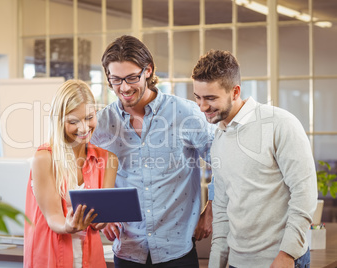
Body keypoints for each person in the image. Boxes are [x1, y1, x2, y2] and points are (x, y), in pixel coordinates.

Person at [90, 35, 216, 267]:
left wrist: (211, 209)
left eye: (131, 77)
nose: (124, 87)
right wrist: (101, 212)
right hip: (127, 249)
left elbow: (222, 161)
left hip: (177, 250)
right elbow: (83, 172)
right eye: (115, 80)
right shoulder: (101, 123)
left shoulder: (185, 114)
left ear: (148, 70)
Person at [191, 49, 318, 268]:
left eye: (210, 98)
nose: (202, 107)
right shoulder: (220, 136)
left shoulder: (280, 123)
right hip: (236, 262)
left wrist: (287, 254)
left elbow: (304, 194)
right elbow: (221, 208)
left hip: (280, 260)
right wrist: (216, 263)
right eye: (198, 98)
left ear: (235, 91)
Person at [24, 80, 118, 268]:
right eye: (73, 122)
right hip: (50, 257)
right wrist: (69, 226)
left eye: (89, 118)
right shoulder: (44, 158)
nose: (84, 128)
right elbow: (53, 218)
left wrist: (102, 220)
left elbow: (101, 218)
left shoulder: (108, 160)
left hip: (90, 259)